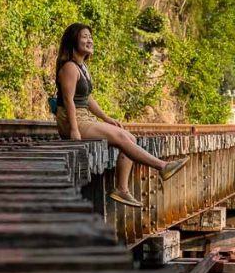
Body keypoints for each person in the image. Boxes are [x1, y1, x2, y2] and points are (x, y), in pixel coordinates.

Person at [55, 23, 188, 207]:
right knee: (120, 137)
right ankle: (162, 166)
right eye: (84, 36)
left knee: (129, 138)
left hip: (83, 117)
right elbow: (68, 100)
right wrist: (74, 130)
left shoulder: (82, 67)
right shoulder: (69, 67)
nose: (89, 40)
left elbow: (87, 98)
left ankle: (122, 190)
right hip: (73, 120)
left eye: (90, 37)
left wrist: (106, 118)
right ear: (73, 40)